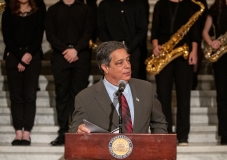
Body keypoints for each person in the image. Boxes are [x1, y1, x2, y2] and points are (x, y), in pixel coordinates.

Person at [69, 41, 168, 134]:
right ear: (105, 68)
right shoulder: (85, 97)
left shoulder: (146, 89)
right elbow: (75, 129)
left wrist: (157, 147)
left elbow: (159, 123)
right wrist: (79, 131)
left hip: (141, 151)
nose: (127, 66)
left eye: (128, 60)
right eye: (120, 63)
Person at [151, 0, 200, 145]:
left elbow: (195, 31)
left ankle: (183, 136)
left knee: (184, 95)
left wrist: (194, 51)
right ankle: (166, 133)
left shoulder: (190, 5)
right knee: (163, 95)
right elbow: (155, 30)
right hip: (164, 54)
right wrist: (155, 46)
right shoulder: (160, 4)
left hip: (183, 55)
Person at [45, 0, 94, 145]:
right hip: (60, 56)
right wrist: (65, 50)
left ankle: (77, 132)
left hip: (81, 56)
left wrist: (76, 49)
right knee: (62, 95)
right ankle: (63, 132)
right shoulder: (53, 10)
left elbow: (88, 32)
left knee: (79, 96)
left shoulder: (85, 9)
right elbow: (50, 34)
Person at [1, 0, 45, 146]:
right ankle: (18, 132)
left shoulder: (38, 12)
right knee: (16, 97)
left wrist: (27, 56)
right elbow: (7, 38)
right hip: (14, 56)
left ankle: (27, 133)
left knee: (30, 96)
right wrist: (21, 57)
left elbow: (38, 38)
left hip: (33, 56)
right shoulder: (8, 12)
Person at [202, 0, 227, 145]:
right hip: (221, 57)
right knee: (222, 97)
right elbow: (205, 31)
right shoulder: (216, 7)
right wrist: (211, 42)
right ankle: (224, 134)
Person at [97, 0, 148, 79]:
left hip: (133, 51)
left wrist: (129, 47)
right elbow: (100, 29)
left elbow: (142, 29)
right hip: (111, 52)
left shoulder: (138, 3)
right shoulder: (104, 4)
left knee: (133, 83)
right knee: (111, 82)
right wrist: (113, 47)